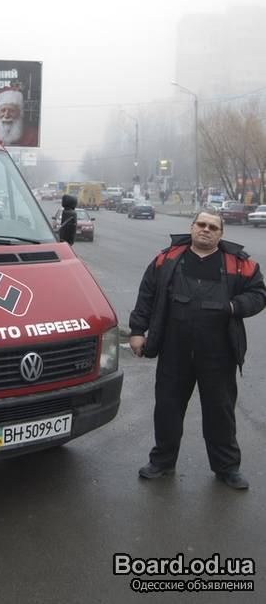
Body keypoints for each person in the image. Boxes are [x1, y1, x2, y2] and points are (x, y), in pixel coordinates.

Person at [129, 210, 266, 490]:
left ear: (220, 234)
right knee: (167, 408)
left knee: (220, 412)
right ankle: (162, 462)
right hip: (174, 350)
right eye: (201, 224)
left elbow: (259, 294)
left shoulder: (240, 264)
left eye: (213, 227)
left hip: (218, 354)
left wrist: (234, 306)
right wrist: (137, 332)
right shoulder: (167, 259)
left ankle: (227, 468)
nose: (206, 229)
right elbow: (147, 295)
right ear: (192, 228)